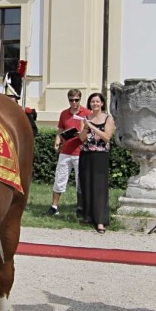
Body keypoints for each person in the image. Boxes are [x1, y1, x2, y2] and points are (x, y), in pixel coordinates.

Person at [47, 88, 90, 217]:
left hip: (80, 151)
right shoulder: (64, 113)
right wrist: (57, 140)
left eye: (76, 100)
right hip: (65, 151)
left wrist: (80, 133)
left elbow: (90, 132)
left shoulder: (86, 113)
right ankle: (54, 207)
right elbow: (60, 129)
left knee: (80, 180)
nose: (74, 103)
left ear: (80, 99)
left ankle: (81, 207)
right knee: (59, 178)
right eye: (71, 100)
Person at [78, 91, 115, 233]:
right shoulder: (86, 118)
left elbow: (106, 137)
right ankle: (88, 216)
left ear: (102, 103)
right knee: (87, 185)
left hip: (100, 156)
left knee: (99, 188)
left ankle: (100, 221)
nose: (95, 104)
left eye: (97, 102)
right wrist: (86, 127)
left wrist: (92, 127)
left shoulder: (108, 119)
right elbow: (81, 138)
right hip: (86, 154)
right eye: (92, 102)